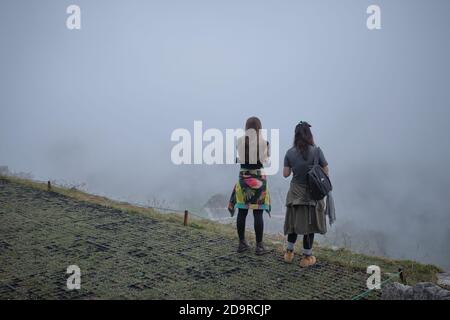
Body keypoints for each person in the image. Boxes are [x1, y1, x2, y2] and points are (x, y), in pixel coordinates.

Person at [282, 121, 329, 267]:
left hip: (295, 193)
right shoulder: (317, 151)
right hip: (311, 195)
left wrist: (295, 167)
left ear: (296, 136)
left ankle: (289, 253)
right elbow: (326, 172)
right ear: (309, 135)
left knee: (294, 224)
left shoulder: (289, 152)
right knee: (310, 225)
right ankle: (306, 258)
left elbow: (285, 174)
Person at [228, 116, 271, 255]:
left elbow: (239, 158)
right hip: (259, 180)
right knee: (258, 213)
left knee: (242, 212)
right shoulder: (265, 143)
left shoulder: (239, 141)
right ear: (260, 128)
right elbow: (265, 160)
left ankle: (242, 244)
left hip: (243, 179)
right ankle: (259, 246)